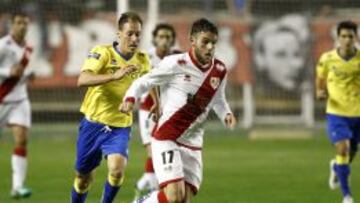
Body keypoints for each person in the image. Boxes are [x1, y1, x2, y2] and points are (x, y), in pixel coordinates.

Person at [120, 18, 236, 203]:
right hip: (168, 137)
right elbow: (145, 81)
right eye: (205, 42)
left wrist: (226, 114)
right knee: (174, 196)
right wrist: (130, 97)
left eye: (213, 43)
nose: (209, 47)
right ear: (192, 40)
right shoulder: (175, 63)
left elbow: (218, 99)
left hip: (194, 144)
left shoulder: (220, 69)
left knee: (182, 200)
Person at [70, 11, 150, 203]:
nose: (134, 38)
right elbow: (82, 79)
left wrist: (155, 103)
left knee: (116, 169)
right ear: (119, 34)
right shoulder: (102, 52)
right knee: (83, 179)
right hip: (93, 123)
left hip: (119, 126)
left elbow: (149, 83)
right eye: (130, 33)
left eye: (138, 34)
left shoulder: (143, 60)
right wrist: (113, 76)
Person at [316, 20, 360, 203]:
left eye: (350, 36)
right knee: (343, 148)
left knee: (349, 154)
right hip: (336, 112)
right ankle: (347, 196)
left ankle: (336, 167)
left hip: (358, 113)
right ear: (338, 38)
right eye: (343, 36)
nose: (347, 40)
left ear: (355, 38)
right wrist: (320, 91)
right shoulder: (327, 58)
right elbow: (320, 78)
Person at [134, 23, 180, 198]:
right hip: (149, 111)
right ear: (154, 38)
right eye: (161, 36)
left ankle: (147, 186)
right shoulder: (146, 58)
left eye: (168, 37)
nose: (165, 40)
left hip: (169, 113)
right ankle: (151, 191)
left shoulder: (178, 58)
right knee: (154, 153)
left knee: (163, 153)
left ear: (172, 40)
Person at [0, 12, 33, 199]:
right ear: (11, 25)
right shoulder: (3, 45)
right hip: (2, 99)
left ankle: (18, 186)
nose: (22, 26)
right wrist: (7, 72)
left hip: (20, 99)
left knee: (21, 139)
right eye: (19, 22)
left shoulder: (28, 47)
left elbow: (21, 72)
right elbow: (10, 72)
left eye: (25, 23)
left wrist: (29, 75)